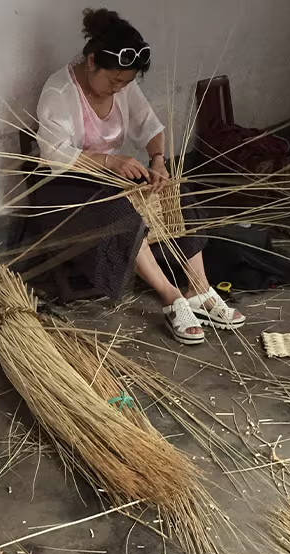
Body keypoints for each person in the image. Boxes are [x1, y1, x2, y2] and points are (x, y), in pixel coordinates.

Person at [33, 8, 245, 344]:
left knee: (176, 191)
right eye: (114, 80)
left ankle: (199, 289)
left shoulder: (122, 86)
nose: (119, 88)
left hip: (112, 176)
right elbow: (53, 154)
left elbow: (149, 125)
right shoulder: (60, 91)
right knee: (121, 211)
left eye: (126, 82)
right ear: (91, 62)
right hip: (65, 185)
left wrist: (158, 160)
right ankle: (171, 296)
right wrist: (110, 161)